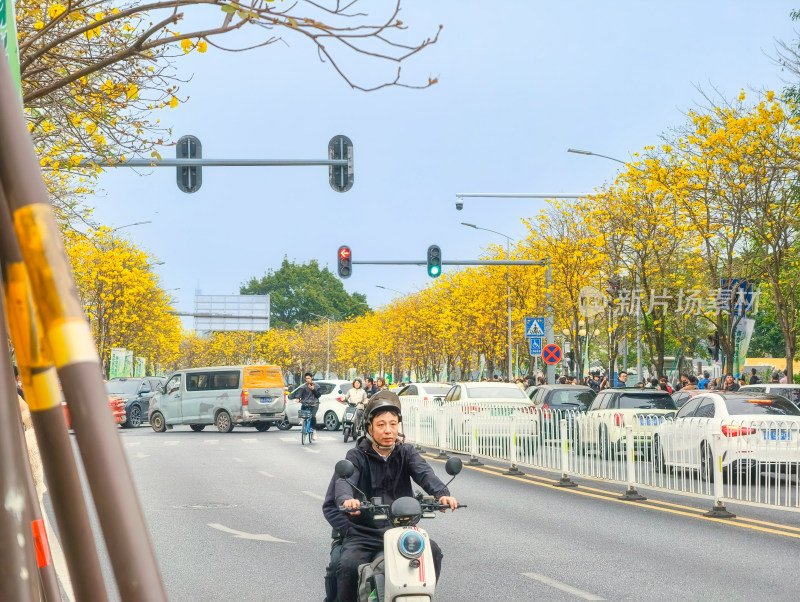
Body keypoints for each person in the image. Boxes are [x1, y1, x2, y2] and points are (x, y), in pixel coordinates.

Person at [326, 392, 458, 602]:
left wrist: (442, 495)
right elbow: (345, 481)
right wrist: (346, 500)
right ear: (369, 427)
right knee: (347, 566)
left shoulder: (406, 452)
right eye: (381, 425)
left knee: (433, 552)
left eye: (393, 424)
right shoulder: (356, 456)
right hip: (365, 534)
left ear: (399, 426)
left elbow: (425, 474)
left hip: (401, 530)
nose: (388, 430)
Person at [298, 372, 322, 440]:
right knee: (303, 407)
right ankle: (302, 419)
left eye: (309, 378)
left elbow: (318, 395)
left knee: (313, 416)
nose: (307, 380)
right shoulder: (303, 386)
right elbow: (299, 394)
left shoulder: (317, 386)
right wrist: (298, 398)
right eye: (306, 378)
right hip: (306, 403)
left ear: (311, 378)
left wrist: (313, 389)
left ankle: (314, 432)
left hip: (314, 404)